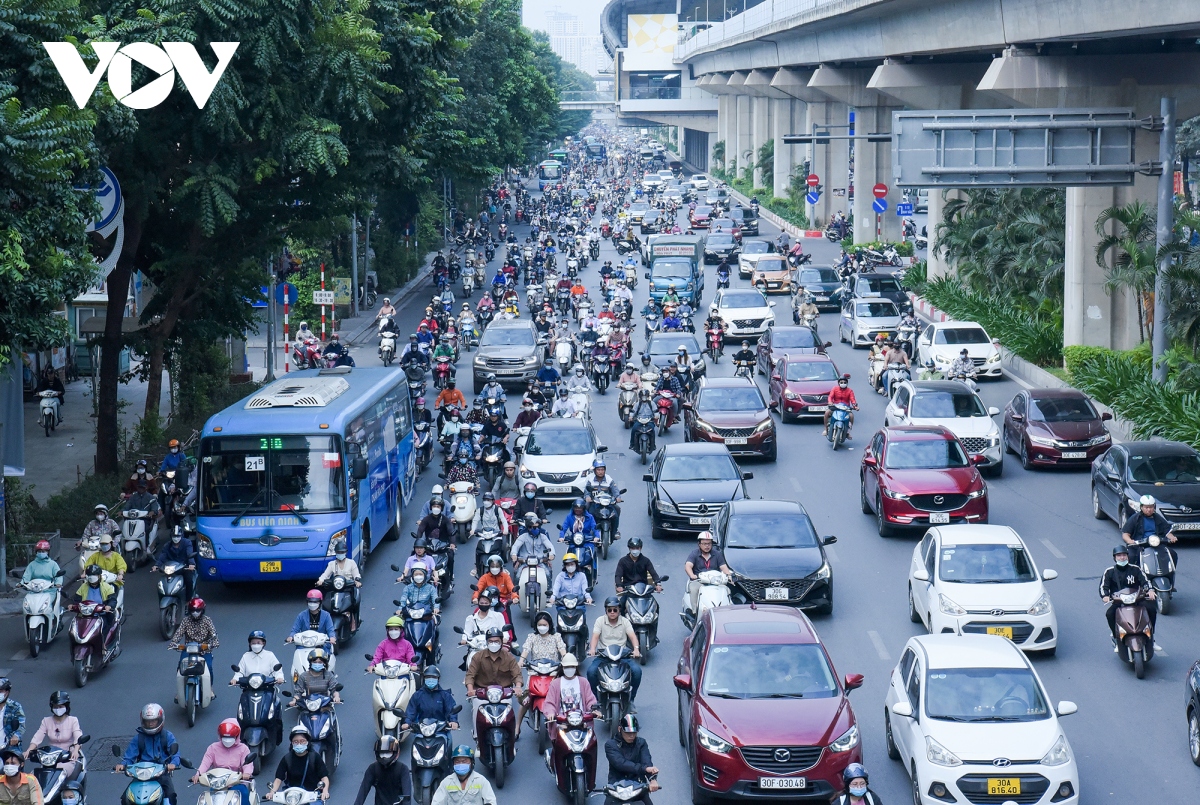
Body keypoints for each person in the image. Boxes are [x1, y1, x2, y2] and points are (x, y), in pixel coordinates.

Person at [116, 704, 181, 805]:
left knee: (171, 796)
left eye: (153, 721)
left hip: (161, 773)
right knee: (125, 798)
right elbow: (129, 756)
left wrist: (173, 764)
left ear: (160, 720)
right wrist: (122, 764)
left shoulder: (167, 736)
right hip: (141, 774)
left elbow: (175, 754)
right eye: (148, 721)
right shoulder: (138, 738)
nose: (150, 724)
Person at [464, 629, 523, 738]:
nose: (493, 644)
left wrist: (518, 687)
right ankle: (477, 738)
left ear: (501, 642)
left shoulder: (509, 657)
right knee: (476, 709)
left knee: (509, 712)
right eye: (491, 641)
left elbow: (517, 674)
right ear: (487, 642)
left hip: (503, 693)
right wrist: (470, 690)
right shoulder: (478, 657)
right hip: (482, 693)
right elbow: (470, 675)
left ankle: (512, 735)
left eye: (496, 641)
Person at [586, 598, 641, 705]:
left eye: (615, 610)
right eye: (609, 610)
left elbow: (633, 637)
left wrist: (636, 649)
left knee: (637, 671)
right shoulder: (600, 621)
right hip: (603, 655)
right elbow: (595, 637)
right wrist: (593, 649)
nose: (612, 612)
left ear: (619, 610)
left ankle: (631, 699)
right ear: (606, 611)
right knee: (591, 672)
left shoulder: (625, 621)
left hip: (622, 656)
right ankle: (596, 699)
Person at [1099, 545, 1155, 648]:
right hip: (1118, 602)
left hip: (1137, 599)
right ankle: (1115, 637)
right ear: (1114, 558)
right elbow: (1103, 587)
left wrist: (1150, 591)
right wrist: (1105, 596)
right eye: (1119, 556)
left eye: (1124, 555)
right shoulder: (1109, 571)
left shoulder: (1136, 569)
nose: (1122, 558)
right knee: (1110, 614)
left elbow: (1145, 581)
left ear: (1128, 557)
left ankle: (1151, 637)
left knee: (1151, 609)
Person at [191, 720, 253, 801]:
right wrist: (198, 774)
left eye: (231, 737)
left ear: (237, 736)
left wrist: (246, 773)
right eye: (225, 737)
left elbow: (247, 763)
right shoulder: (213, 748)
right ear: (220, 736)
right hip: (218, 785)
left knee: (244, 794)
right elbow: (205, 763)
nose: (227, 740)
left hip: (237, 784)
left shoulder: (243, 749)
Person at [604, 715, 659, 804]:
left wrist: (652, 779)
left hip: (638, 786)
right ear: (619, 729)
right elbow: (620, 763)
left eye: (634, 732)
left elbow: (646, 761)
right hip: (616, 787)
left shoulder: (641, 743)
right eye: (628, 733)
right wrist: (643, 769)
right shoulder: (610, 745)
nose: (632, 736)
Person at [23, 691, 80, 778]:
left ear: (66, 706)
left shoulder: (73, 720)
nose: (58, 709)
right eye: (55, 707)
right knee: (34, 777)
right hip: (50, 757)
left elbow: (77, 736)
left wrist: (75, 750)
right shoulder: (46, 721)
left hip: (67, 757)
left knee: (59, 775)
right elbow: (38, 736)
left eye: (60, 706)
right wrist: (29, 750)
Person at [266, 725, 330, 800]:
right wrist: (272, 792)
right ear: (292, 743)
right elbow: (278, 779)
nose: (299, 744)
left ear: (307, 742)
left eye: (302, 741)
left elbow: (324, 777)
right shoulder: (287, 759)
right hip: (292, 796)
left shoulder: (315, 757)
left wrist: (325, 791)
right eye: (296, 741)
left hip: (312, 795)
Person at [316, 536, 362, 630]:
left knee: (354, 602)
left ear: (345, 553)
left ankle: (353, 620)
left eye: (342, 552)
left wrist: (357, 581)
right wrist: (320, 581)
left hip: (348, 587)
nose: (340, 554)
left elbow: (356, 574)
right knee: (326, 602)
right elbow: (325, 575)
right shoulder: (332, 564)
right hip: (335, 587)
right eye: (338, 552)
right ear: (336, 553)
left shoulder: (351, 563)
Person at [351, 736, 411, 805]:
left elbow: (407, 797)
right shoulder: (402, 769)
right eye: (382, 753)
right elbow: (362, 794)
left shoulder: (373, 768)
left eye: (388, 753)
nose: (385, 756)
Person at [1121, 494, 1178, 564]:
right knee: (1131, 557)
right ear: (1141, 507)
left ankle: (1169, 573)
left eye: (1151, 507)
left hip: (1156, 544)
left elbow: (1167, 532)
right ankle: (1134, 573)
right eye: (1146, 507)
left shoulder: (1158, 518)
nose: (1149, 509)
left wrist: (1172, 537)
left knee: (1172, 554)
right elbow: (1125, 534)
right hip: (1139, 545)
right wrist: (1130, 541)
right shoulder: (1135, 518)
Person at [684, 532, 731, 615]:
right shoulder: (694, 554)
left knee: (727, 590)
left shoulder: (717, 554)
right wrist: (692, 575)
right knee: (694, 589)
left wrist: (729, 576)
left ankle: (727, 611)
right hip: (699, 581)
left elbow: (724, 567)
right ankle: (695, 612)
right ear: (699, 544)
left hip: (715, 581)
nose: (707, 546)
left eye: (709, 544)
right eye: (704, 544)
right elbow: (688, 566)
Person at [430, 746, 495, 805]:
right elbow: (436, 802)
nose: (460, 764)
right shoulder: (446, 783)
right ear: (453, 764)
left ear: (471, 763)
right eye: (457, 761)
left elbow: (491, 801)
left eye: (464, 761)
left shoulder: (481, 781)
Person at [169, 597, 218, 674]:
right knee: (180, 668)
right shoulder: (186, 621)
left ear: (202, 610)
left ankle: (210, 686)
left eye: (197, 610)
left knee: (209, 667)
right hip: (188, 649)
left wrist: (214, 643)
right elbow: (179, 633)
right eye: (193, 610)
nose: (195, 612)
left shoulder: (207, 620)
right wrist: (174, 642)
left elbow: (213, 633)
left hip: (204, 650)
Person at [403, 667, 459, 735]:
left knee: (448, 742)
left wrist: (453, 721)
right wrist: (407, 722)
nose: (431, 679)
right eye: (428, 677)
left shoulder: (445, 695)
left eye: (434, 677)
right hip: (422, 731)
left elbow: (451, 710)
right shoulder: (417, 695)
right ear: (424, 678)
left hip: (441, 731)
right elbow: (411, 711)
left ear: (438, 679)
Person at [151, 527, 197, 601]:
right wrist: (156, 565)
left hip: (184, 568)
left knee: (189, 580)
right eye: (174, 536)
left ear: (181, 536)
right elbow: (162, 556)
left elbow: (190, 554)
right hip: (172, 569)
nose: (176, 538)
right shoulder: (167, 545)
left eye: (178, 536)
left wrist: (191, 564)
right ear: (171, 536)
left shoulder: (187, 543)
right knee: (161, 584)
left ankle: (188, 601)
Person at [69, 565, 118, 634]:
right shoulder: (83, 587)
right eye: (89, 575)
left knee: (104, 630)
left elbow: (113, 600)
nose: (92, 577)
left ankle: (103, 644)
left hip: (101, 615)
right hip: (85, 615)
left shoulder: (106, 587)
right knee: (74, 631)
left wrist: (109, 606)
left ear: (99, 576)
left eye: (94, 575)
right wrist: (73, 606)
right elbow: (77, 600)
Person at [584, 460, 622, 533]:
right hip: (595, 503)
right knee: (587, 512)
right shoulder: (590, 480)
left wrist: (618, 497)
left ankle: (615, 531)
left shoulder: (609, 479)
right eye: (598, 470)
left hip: (608, 503)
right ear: (595, 471)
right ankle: (586, 530)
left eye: (602, 469)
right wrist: (587, 497)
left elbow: (615, 490)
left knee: (617, 511)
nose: (600, 472)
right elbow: (587, 490)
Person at [823, 374, 858, 439]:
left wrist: (855, 406)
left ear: (847, 383)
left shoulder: (850, 391)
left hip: (845, 408)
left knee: (851, 416)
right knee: (827, 413)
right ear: (839, 383)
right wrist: (830, 402)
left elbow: (853, 399)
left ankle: (848, 432)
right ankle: (826, 429)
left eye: (845, 382)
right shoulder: (834, 389)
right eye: (841, 382)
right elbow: (830, 396)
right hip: (835, 407)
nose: (843, 384)